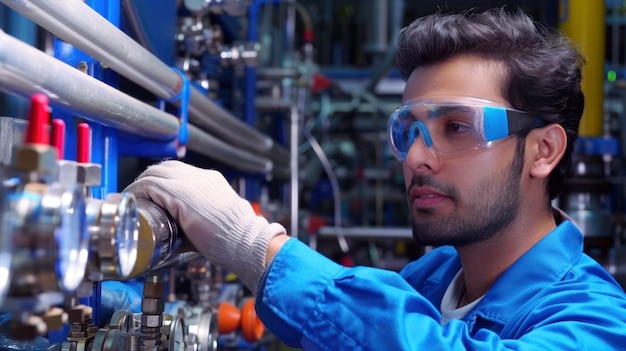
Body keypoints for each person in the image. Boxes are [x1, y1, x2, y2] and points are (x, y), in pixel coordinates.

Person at [125, 8, 626, 350]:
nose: (416, 158)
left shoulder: (597, 321)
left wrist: (254, 245)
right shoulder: (429, 281)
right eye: (409, 130)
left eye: (456, 127)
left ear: (543, 150)